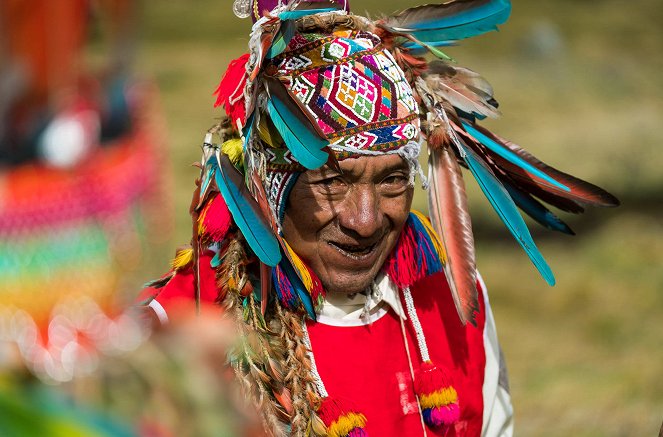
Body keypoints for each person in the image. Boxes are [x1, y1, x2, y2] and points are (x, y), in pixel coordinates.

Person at [141, 1, 618, 436]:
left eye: (392, 180)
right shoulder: (181, 328)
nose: (365, 221)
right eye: (333, 182)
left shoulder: (451, 300)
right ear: (271, 186)